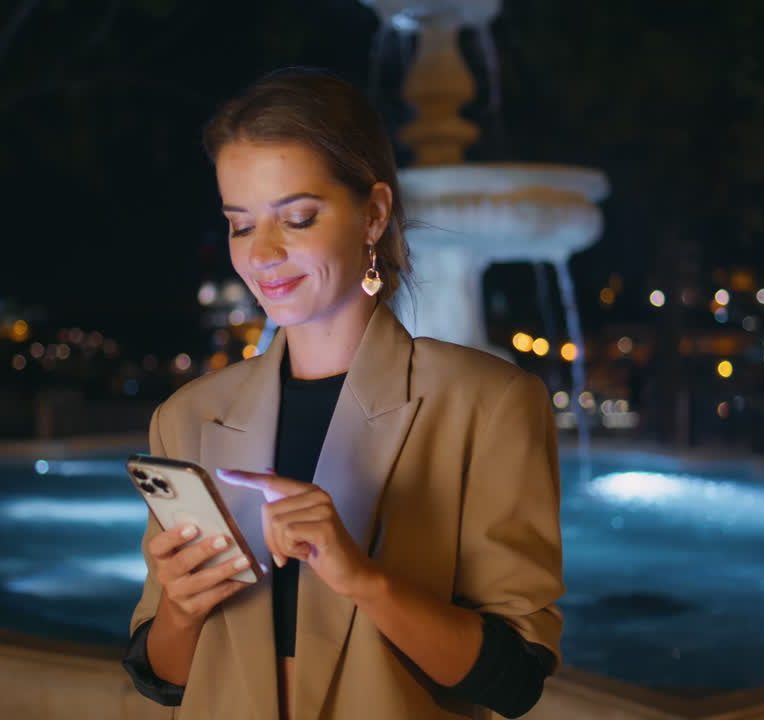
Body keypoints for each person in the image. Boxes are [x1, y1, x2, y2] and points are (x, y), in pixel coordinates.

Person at [123, 68, 564, 720]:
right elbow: (162, 679)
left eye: (297, 217)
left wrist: (363, 579)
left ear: (374, 213)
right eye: (241, 225)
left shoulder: (490, 403)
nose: (262, 253)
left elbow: (514, 682)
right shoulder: (186, 416)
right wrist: (182, 610)